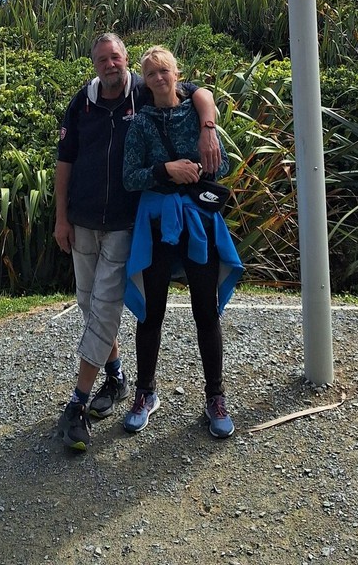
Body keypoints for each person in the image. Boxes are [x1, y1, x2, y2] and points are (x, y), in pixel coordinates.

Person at [54, 32, 220, 452]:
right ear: (93, 64)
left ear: (127, 62)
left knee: (110, 303)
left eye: (116, 57)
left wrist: (208, 128)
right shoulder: (84, 102)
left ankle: (78, 400)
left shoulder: (143, 93)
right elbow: (67, 161)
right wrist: (61, 218)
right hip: (87, 218)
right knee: (93, 304)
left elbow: (199, 92)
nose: (110, 64)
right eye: (102, 59)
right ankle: (121, 377)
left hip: (137, 223)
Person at [121, 45, 243, 440]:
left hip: (196, 222)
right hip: (157, 223)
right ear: (146, 80)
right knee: (150, 313)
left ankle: (215, 396)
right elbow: (130, 177)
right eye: (151, 73)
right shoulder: (139, 124)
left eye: (165, 71)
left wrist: (203, 161)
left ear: (177, 75)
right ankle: (145, 393)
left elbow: (222, 166)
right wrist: (166, 170)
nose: (159, 78)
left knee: (205, 312)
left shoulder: (198, 114)